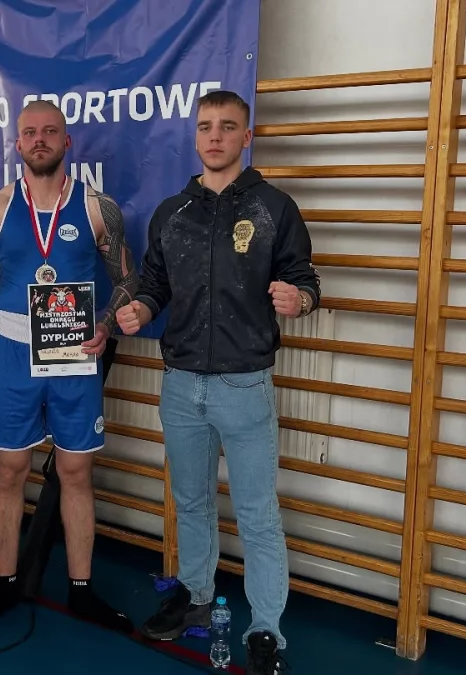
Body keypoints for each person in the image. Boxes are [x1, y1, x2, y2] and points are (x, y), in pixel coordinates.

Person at [116, 90, 319, 675]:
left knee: (257, 513)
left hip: (244, 385)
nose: (215, 136)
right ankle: (196, 597)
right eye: (206, 126)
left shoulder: (274, 208)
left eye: (227, 126)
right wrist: (141, 309)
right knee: (191, 501)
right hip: (181, 384)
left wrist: (299, 299)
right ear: (195, 135)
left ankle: (265, 629)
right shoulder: (172, 211)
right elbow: (154, 283)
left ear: (245, 137)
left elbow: (305, 280)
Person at [0, 100, 139, 634]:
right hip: (14, 352)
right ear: (17, 144)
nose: (40, 139)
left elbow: (129, 280)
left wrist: (106, 323)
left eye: (50, 131)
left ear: (66, 140)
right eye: (30, 132)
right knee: (9, 471)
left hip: (73, 352)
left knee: (76, 473)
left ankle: (81, 589)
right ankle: (5, 583)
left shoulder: (98, 208)